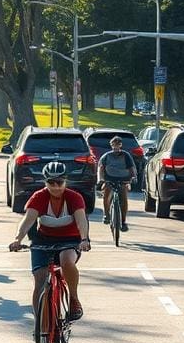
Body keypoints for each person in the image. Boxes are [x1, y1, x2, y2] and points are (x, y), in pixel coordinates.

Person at [9, 161, 91, 321]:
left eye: (59, 182)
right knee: (40, 279)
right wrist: (17, 239)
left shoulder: (74, 197)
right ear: (45, 182)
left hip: (70, 240)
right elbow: (28, 220)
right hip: (43, 241)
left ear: (65, 182)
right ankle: (40, 324)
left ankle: (73, 299)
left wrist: (84, 239)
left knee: (66, 261)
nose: (55, 187)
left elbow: (82, 221)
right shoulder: (39, 197)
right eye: (51, 183)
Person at [97, 135, 136, 232]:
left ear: (121, 145)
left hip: (123, 179)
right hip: (109, 178)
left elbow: (132, 168)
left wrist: (133, 177)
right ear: (111, 145)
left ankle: (123, 222)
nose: (116, 147)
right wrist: (100, 179)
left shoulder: (126, 156)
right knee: (106, 194)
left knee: (124, 198)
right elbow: (100, 168)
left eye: (118, 145)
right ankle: (106, 215)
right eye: (114, 145)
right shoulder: (106, 156)